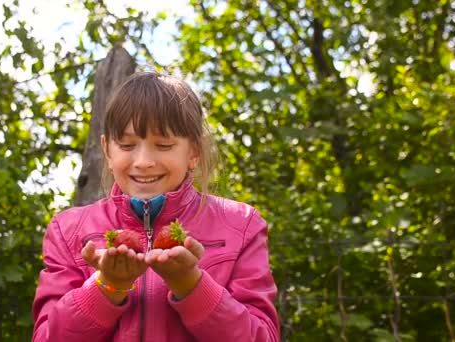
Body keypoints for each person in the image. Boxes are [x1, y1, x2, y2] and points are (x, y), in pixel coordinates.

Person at [31, 71, 280, 341]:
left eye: (163, 145)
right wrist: (107, 285)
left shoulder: (241, 225)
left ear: (193, 152)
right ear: (107, 150)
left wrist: (191, 285)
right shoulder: (67, 231)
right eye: (127, 145)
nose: (143, 161)